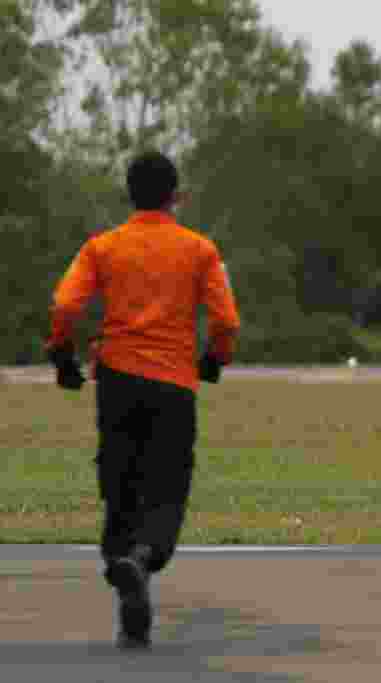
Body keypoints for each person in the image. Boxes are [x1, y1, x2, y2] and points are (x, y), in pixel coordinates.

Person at [44, 151, 241, 648]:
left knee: (120, 479)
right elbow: (226, 320)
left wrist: (62, 356)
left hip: (117, 380)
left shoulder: (102, 248)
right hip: (174, 382)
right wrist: (214, 359)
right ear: (176, 196)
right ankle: (145, 556)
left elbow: (66, 304)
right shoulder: (199, 251)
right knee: (167, 483)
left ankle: (122, 564)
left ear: (129, 195)